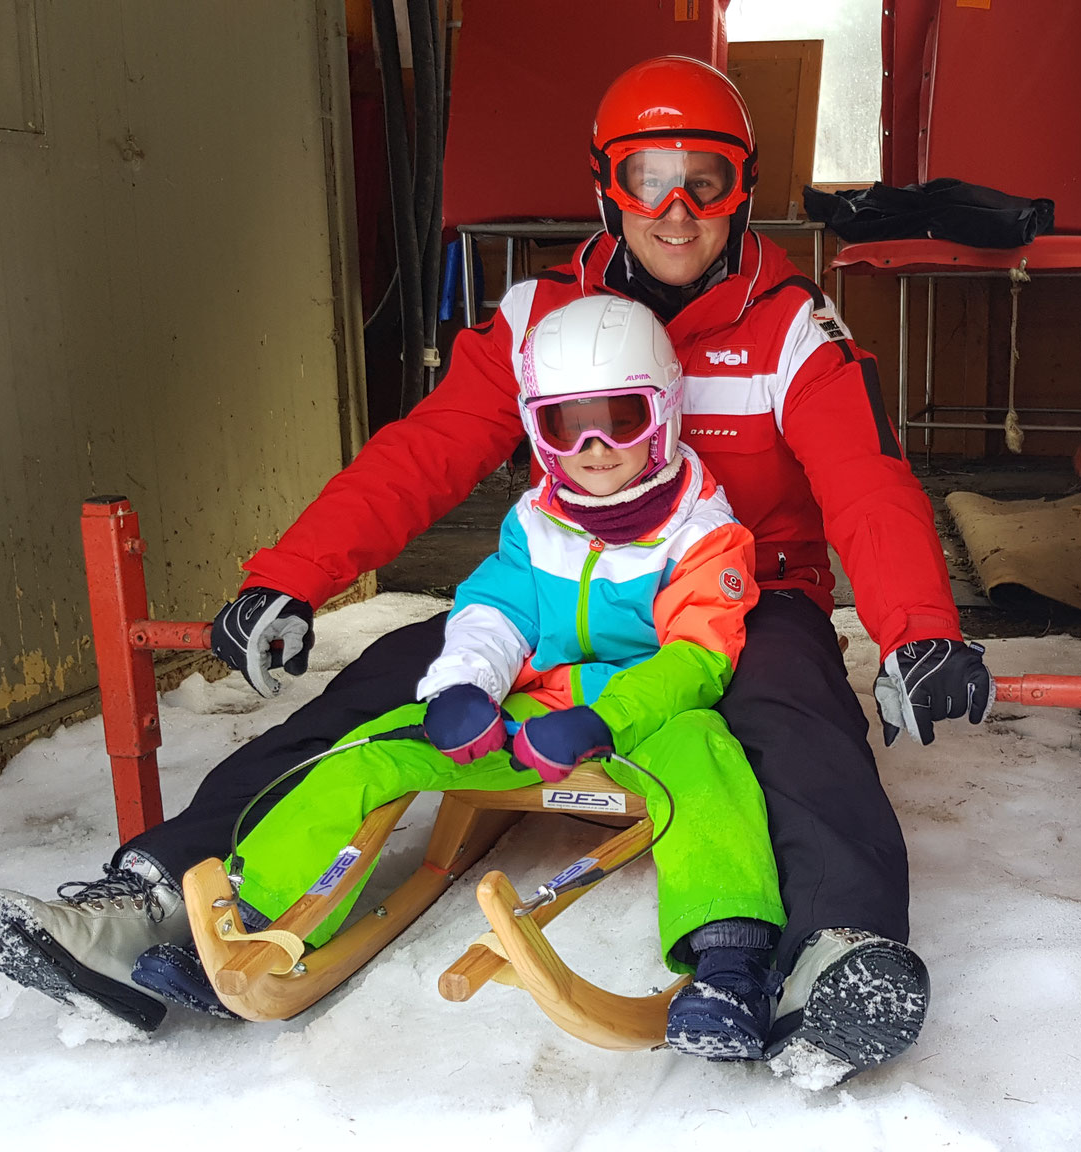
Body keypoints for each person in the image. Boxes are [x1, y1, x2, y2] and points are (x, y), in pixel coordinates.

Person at [0, 55, 989, 1086]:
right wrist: (293, 575)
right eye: (647, 179)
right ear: (606, 187)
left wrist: (916, 625)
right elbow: (425, 452)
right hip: (557, 592)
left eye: (705, 181)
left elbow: (865, 481)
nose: (676, 211)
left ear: (743, 188)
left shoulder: (788, 329)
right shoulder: (538, 316)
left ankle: (839, 953)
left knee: (791, 709)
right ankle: (155, 897)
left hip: (733, 595)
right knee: (387, 681)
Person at [128, 296, 786, 1058]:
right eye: (567, 426)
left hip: (643, 723)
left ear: (666, 414)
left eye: (622, 419)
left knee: (711, 758)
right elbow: (494, 614)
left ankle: (729, 962)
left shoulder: (704, 532)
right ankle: (257, 915)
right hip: (530, 718)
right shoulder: (537, 521)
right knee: (368, 749)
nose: (595, 449)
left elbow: (696, 658)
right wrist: (462, 689)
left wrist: (606, 720)